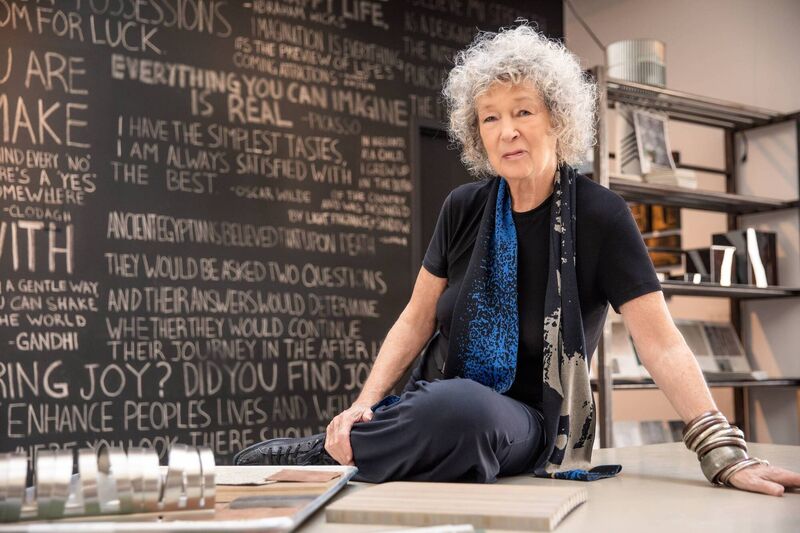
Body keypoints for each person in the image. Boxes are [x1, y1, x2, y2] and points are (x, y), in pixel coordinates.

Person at [235, 23, 800, 495]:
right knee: (448, 408)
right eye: (489, 118)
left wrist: (723, 453)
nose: (507, 131)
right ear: (475, 133)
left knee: (464, 415)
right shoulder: (464, 207)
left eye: (523, 111)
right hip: (437, 398)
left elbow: (660, 341)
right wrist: (363, 404)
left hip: (527, 421)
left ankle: (323, 457)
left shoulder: (601, 216)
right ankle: (355, 441)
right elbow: (416, 318)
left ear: (555, 118)